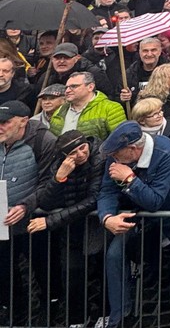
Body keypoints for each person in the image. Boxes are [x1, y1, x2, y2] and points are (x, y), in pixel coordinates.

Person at [97, 121, 170, 327]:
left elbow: (155, 201)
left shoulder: (167, 153)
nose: (113, 160)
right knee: (115, 254)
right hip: (138, 211)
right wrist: (107, 217)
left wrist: (130, 179)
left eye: (116, 155)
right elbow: (107, 191)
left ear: (133, 149)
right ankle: (120, 315)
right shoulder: (117, 157)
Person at [27, 129, 104, 325]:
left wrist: (50, 221)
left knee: (101, 272)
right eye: (73, 153)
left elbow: (93, 199)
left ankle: (105, 314)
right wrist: (59, 178)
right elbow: (46, 202)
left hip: (97, 223)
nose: (80, 155)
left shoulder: (99, 158)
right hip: (71, 226)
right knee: (72, 273)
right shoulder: (59, 165)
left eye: (82, 148)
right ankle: (76, 318)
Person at [0, 100, 57, 325]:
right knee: (5, 271)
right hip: (3, 223)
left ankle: (49, 311)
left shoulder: (44, 140)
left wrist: (25, 205)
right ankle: (12, 311)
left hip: (35, 220)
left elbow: (48, 183)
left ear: (24, 121)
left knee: (44, 269)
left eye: (5, 122)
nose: (0, 127)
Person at [48, 71, 126, 140]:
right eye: (67, 87)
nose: (67, 91)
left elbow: (120, 140)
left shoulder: (111, 108)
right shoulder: (60, 111)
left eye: (74, 86)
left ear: (90, 87)